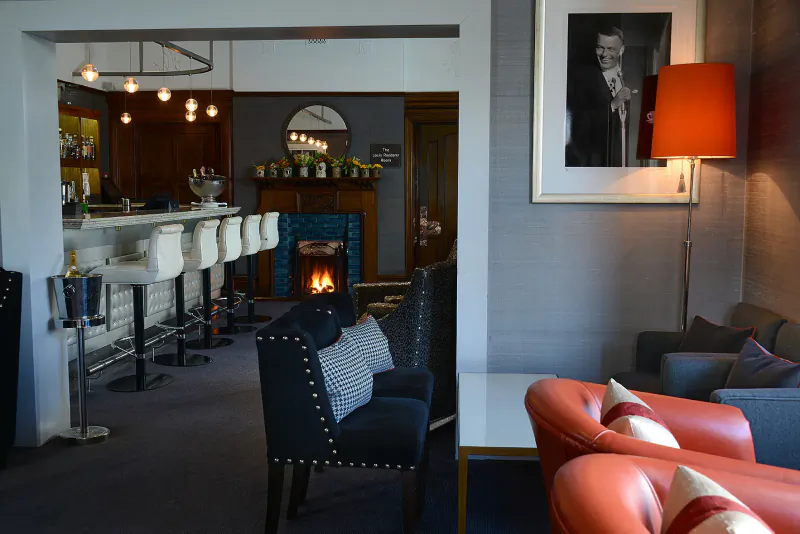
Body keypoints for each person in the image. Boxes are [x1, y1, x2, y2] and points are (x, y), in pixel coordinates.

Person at [566, 26, 632, 167]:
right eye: (600, 48)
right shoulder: (581, 78)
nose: (604, 54)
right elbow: (580, 124)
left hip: (620, 161)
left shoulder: (628, 79)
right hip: (592, 162)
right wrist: (613, 105)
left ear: (621, 51)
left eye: (611, 49)